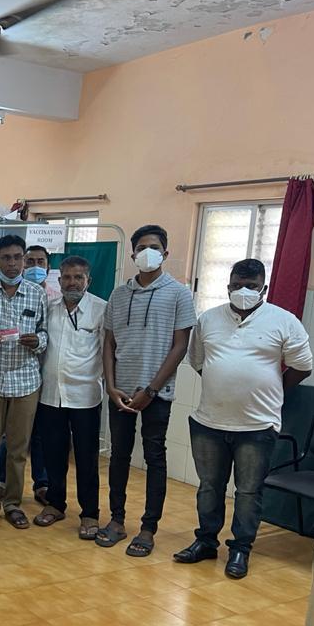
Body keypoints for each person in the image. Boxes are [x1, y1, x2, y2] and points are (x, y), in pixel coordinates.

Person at [174, 259, 312, 579]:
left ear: (264, 288)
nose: (244, 291)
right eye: (237, 285)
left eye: (251, 286)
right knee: (209, 487)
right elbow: (198, 362)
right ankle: (206, 541)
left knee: (249, 491)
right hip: (209, 421)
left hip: (258, 425)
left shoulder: (284, 321)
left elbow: (303, 367)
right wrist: (224, 384)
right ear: (228, 287)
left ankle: (240, 549)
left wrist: (271, 389)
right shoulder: (209, 319)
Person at [99, 224, 196, 557]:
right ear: (132, 254)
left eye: (153, 247)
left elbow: (180, 346)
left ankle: (148, 528)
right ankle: (116, 520)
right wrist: (111, 386)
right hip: (121, 392)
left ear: (165, 253)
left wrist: (151, 390)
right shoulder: (118, 294)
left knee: (154, 457)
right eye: (141, 248)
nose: (147, 253)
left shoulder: (179, 294)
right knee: (118, 457)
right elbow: (109, 343)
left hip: (157, 393)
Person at [0, 235, 47, 530]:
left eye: (18, 257)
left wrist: (38, 341)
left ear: (24, 260)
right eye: (6, 258)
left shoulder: (37, 295)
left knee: (17, 448)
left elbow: (45, 332)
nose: (13, 263)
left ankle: (13, 503)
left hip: (26, 381)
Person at [33, 256, 106, 538]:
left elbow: (108, 352)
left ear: (88, 280)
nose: (72, 282)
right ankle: (55, 504)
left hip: (85, 396)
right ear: (59, 279)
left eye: (78, 277)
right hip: (51, 395)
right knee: (53, 454)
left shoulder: (101, 309)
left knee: (86, 458)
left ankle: (89, 514)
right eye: (66, 277)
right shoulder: (49, 308)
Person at [0, 244, 51, 504]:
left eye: (41, 262)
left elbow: (46, 333)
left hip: (45, 378)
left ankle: (42, 483)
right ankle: (2, 481)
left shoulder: (53, 298)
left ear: (48, 267)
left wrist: (38, 340)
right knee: (8, 436)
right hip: (10, 377)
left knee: (40, 435)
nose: (34, 267)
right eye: (30, 262)